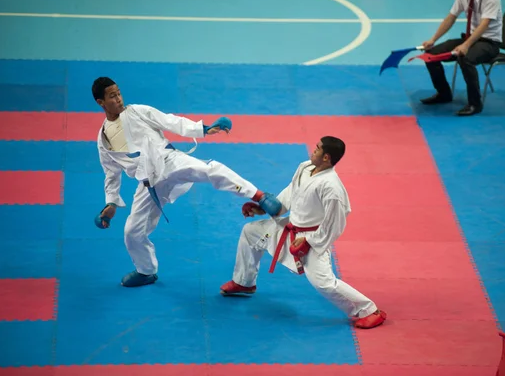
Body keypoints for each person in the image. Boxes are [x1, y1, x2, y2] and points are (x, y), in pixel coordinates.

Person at [92, 76, 282, 287]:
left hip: (169, 161)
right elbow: (111, 173)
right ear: (101, 102)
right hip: (148, 183)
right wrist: (111, 203)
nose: (118, 99)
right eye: (112, 96)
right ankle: (146, 271)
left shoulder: (137, 111)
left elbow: (170, 121)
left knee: (211, 169)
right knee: (131, 232)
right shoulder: (103, 139)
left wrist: (203, 129)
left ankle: (259, 195)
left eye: (119, 93)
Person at [219, 136, 387, 329]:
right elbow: (291, 193)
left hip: (312, 237)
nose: (312, 151)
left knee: (323, 283)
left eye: (317, 149)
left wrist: (309, 241)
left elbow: (335, 225)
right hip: (290, 227)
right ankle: (244, 282)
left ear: (326, 158)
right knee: (251, 232)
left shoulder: (332, 187)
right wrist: (264, 208)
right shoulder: (305, 167)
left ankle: (369, 310)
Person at [420, 0, 502, 116]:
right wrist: (433, 39)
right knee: (431, 55)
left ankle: (475, 104)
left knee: (465, 58)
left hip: (489, 42)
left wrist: (466, 45)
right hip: (470, 39)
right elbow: (451, 17)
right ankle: (444, 94)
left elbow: (484, 25)